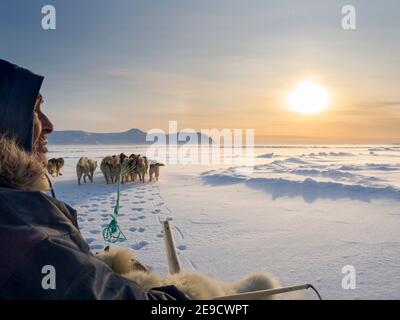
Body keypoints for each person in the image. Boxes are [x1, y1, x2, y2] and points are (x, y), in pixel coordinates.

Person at [0, 59, 188, 300]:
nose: (49, 125)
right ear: (6, 119)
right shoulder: (28, 230)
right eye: (34, 110)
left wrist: (86, 264)